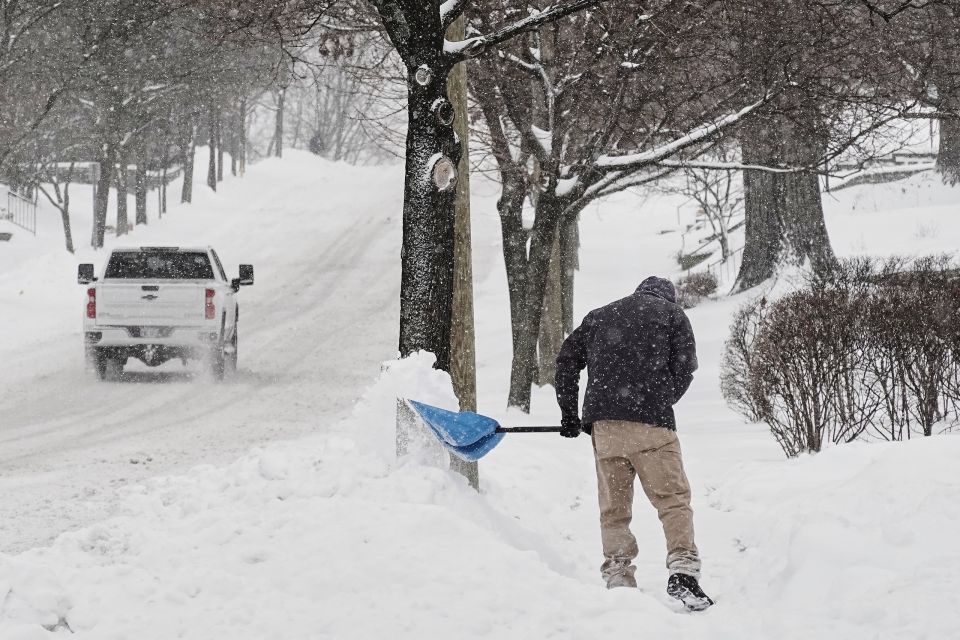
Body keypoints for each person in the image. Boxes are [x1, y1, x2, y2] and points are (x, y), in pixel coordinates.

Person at [555, 276, 714, 611]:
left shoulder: (599, 316)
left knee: (614, 510)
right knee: (672, 500)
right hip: (652, 425)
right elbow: (685, 369)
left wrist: (570, 414)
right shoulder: (672, 315)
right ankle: (683, 570)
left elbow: (566, 361)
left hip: (605, 428)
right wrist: (660, 399)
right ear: (668, 298)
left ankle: (619, 576)